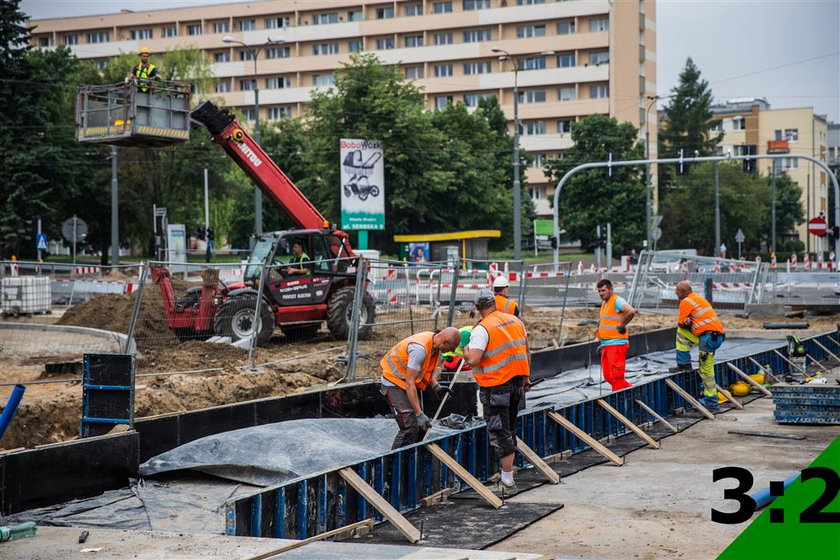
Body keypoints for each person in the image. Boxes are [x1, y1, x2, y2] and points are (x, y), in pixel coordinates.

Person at [465, 288, 531, 497]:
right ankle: (507, 472)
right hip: (516, 384)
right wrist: (526, 378)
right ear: (495, 302)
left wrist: (465, 351)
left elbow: (474, 359)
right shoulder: (515, 321)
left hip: (496, 387)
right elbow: (526, 350)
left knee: (500, 431)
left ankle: (508, 481)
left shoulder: (482, 329)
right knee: (509, 428)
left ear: (477, 307)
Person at [380, 328, 461, 449]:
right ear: (445, 342)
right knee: (409, 427)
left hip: (405, 382)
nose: (453, 351)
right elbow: (410, 383)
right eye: (453, 347)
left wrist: (436, 387)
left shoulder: (434, 346)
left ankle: (413, 460)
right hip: (393, 383)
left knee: (423, 427)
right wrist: (418, 414)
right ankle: (392, 465)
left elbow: (424, 371)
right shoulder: (419, 349)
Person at [669, 281, 726, 410]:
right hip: (714, 337)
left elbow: (681, 324)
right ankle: (684, 364)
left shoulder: (686, 301)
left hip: (708, 338)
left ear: (683, 291)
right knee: (682, 334)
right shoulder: (698, 299)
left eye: (677, 291)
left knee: (706, 371)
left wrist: (686, 322)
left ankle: (711, 402)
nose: (675, 293)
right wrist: (690, 321)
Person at [595, 279, 635, 391]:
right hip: (606, 344)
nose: (601, 293)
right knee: (608, 376)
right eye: (599, 291)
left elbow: (631, 311)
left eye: (603, 290)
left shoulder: (617, 300)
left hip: (616, 344)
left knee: (616, 376)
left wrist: (622, 325)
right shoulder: (604, 303)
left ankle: (618, 400)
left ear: (611, 289)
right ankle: (629, 390)